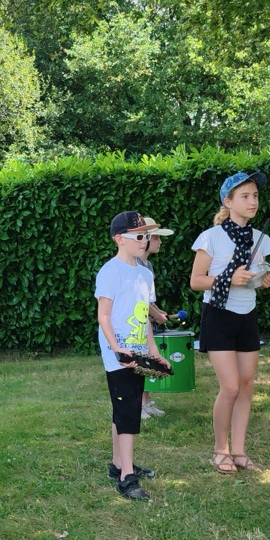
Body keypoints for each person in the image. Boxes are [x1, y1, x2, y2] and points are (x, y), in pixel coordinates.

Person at [190, 171, 270, 474]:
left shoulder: (260, 238)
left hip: (247, 315)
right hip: (218, 315)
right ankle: (220, 450)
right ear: (228, 202)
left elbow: (257, 277)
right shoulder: (211, 237)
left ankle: (239, 452)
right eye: (245, 196)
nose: (252, 201)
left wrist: (264, 280)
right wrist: (229, 278)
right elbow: (196, 281)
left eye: (255, 196)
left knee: (246, 385)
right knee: (229, 387)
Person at [96, 211, 168, 500]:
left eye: (146, 236)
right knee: (127, 412)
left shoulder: (145, 273)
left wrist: (154, 352)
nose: (144, 241)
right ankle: (127, 477)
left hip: (137, 352)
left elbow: (144, 317)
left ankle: (118, 465)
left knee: (126, 407)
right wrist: (116, 347)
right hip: (118, 354)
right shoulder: (110, 271)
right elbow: (103, 315)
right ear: (119, 239)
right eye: (138, 236)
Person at [139, 216, 174, 419]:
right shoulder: (135, 265)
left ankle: (145, 403)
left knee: (147, 362)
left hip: (147, 320)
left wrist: (158, 312)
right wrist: (157, 315)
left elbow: (149, 299)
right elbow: (139, 301)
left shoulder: (148, 266)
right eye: (156, 238)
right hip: (137, 324)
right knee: (139, 362)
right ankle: (137, 405)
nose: (160, 242)